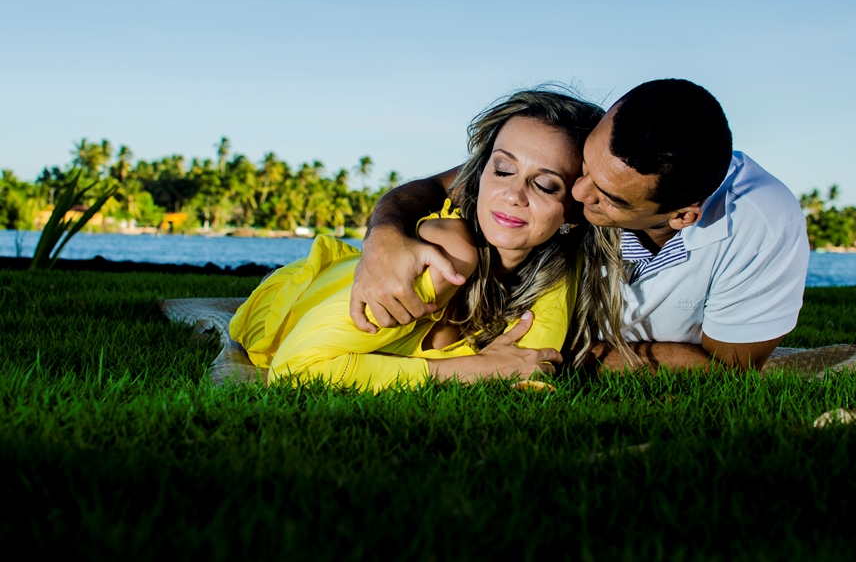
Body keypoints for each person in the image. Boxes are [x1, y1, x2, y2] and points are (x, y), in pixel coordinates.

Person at [350, 79, 809, 372]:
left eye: (606, 197)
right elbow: (444, 184)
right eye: (584, 166)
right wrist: (385, 233)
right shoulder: (592, 158)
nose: (577, 192)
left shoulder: (761, 225)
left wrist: (556, 352)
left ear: (682, 216)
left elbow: (725, 368)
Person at [228, 90, 629, 391]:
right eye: (503, 170)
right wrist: (471, 371)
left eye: (544, 185)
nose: (513, 195)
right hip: (289, 305)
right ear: (479, 174)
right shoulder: (447, 255)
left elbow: (531, 372)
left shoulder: (557, 264)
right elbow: (294, 370)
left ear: (573, 214)